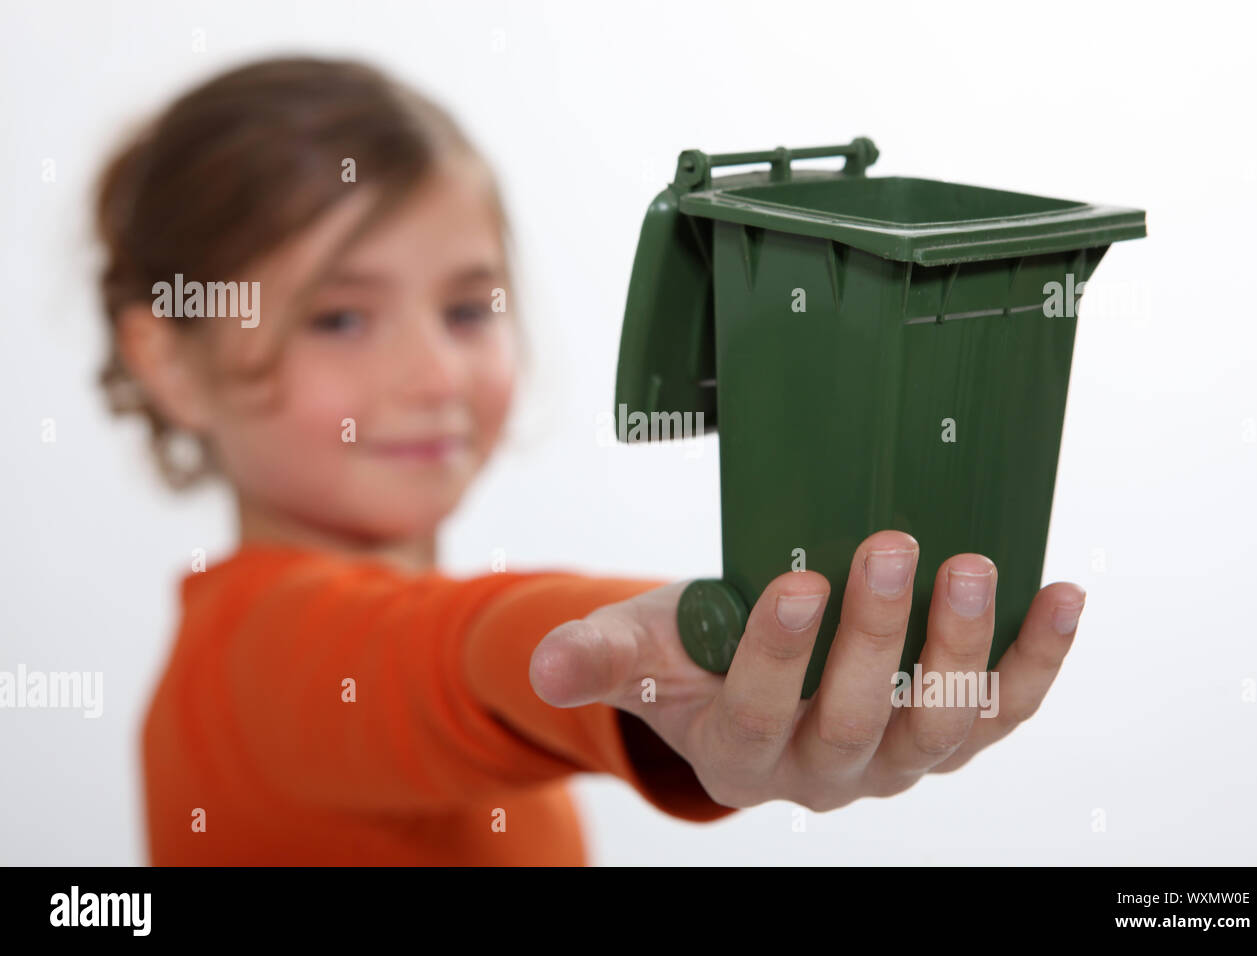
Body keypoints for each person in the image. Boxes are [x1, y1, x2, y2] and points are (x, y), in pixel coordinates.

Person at [94, 56, 1087, 865]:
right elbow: (451, 654)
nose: (433, 371)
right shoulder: (253, 654)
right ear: (169, 358)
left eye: (465, 307)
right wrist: (655, 643)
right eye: (340, 316)